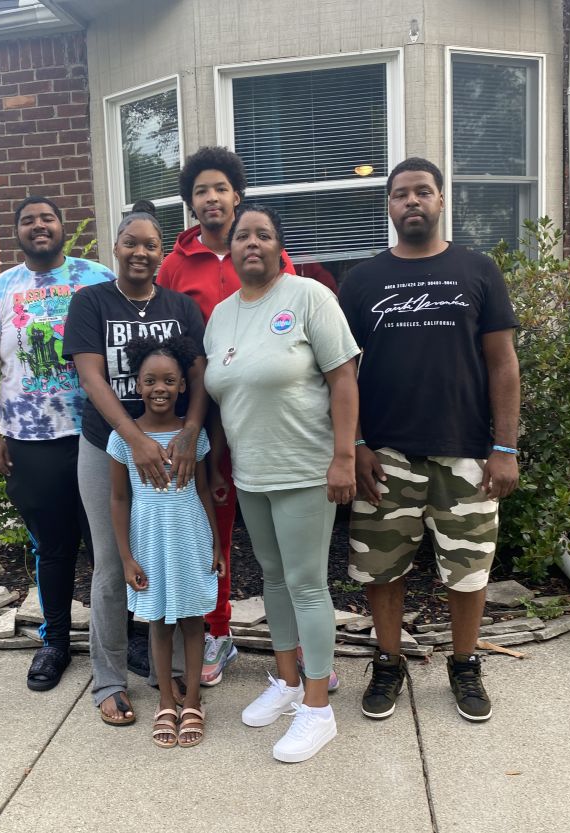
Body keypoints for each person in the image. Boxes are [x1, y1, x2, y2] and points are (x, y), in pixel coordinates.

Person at [338, 157, 520, 723]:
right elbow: (341, 372)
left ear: (442, 201)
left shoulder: (478, 270)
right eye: (399, 194)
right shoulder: (363, 279)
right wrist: (357, 443)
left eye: (422, 192)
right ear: (388, 206)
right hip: (385, 454)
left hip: (465, 452)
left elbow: (503, 365)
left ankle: (464, 663)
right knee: (380, 570)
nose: (411, 201)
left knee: (468, 571)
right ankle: (388, 661)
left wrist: (506, 447)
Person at [158, 146, 331, 691]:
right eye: (201, 191)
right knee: (216, 527)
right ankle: (217, 629)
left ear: (237, 195)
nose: (211, 198)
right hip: (211, 416)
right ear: (191, 204)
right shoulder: (174, 264)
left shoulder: (273, 262)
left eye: (220, 189)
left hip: (278, 422)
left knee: (293, 556)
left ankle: (305, 646)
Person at [203, 204, 360, 763]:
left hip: (305, 469)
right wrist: (220, 466)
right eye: (243, 234)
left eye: (263, 235)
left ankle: (318, 709)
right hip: (250, 472)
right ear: (230, 245)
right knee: (272, 579)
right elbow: (224, 396)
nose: (252, 243)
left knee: (307, 583)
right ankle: (289, 682)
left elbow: (343, 378)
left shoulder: (309, 298)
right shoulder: (220, 315)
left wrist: (344, 456)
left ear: (277, 246)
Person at [63, 211, 209, 726]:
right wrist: (134, 437)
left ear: (162, 251)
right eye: (130, 243)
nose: (140, 253)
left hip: (175, 450)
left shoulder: (181, 307)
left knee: (169, 560)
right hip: (108, 445)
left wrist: (189, 434)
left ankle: (167, 677)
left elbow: (199, 375)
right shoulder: (91, 302)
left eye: (151, 245)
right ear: (116, 246)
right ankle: (109, 679)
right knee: (111, 564)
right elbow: (91, 376)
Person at [0, 195, 113, 692]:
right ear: (18, 232)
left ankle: (120, 638)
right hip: (31, 438)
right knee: (52, 548)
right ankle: (54, 641)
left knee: (108, 545)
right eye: (28, 220)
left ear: (61, 225)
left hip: (98, 433)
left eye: (46, 218)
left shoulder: (97, 277)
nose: (38, 226)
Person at [108, 335, 221, 747]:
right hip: (150, 544)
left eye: (169, 380)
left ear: (183, 386)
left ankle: (192, 700)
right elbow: (119, 498)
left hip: (190, 539)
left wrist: (215, 544)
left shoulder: (195, 437)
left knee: (193, 623)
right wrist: (125, 556)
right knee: (159, 624)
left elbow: (204, 492)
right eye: (150, 380)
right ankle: (166, 704)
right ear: (136, 385)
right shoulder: (124, 438)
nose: (160, 388)